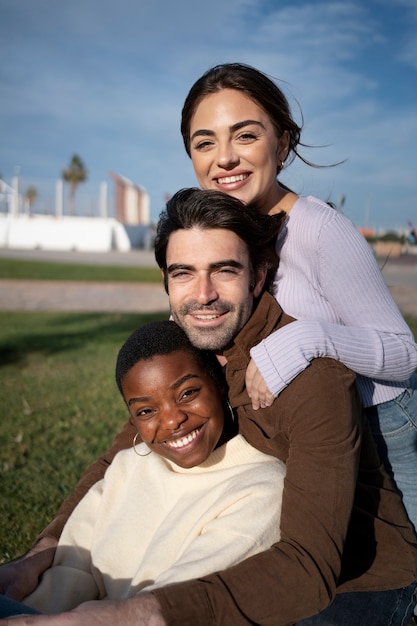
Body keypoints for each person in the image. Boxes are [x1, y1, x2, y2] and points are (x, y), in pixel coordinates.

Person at [2, 188, 416, 625]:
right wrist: (43, 553)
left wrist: (135, 614)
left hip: (357, 579)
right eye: (184, 273)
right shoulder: (191, 342)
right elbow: (118, 454)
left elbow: (307, 568)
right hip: (265, 553)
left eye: (224, 270)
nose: (203, 295)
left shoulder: (311, 379)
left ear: (257, 277)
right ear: (166, 282)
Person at [180, 62, 417, 537]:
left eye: (245, 135)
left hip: (381, 429)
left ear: (282, 144)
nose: (224, 158)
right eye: (205, 142)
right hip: (297, 434)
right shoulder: (222, 234)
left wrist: (305, 338)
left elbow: (404, 353)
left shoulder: (320, 230)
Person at [1, 319, 285, 618]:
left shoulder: (261, 488)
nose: (172, 420)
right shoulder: (128, 466)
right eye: (146, 411)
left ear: (219, 383)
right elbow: (73, 569)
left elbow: (177, 602)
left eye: (187, 393)